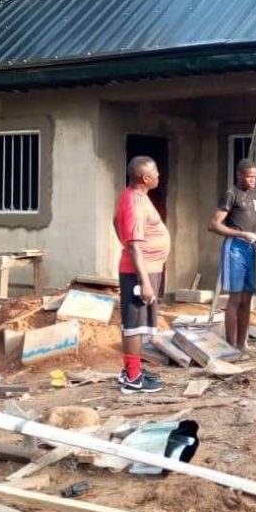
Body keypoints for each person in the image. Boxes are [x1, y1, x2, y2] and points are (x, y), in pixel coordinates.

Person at [113, 156, 170, 393]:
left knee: (135, 324)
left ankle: (131, 371)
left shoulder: (133, 196)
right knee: (135, 326)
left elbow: (116, 221)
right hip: (139, 272)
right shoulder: (136, 203)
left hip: (143, 268)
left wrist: (125, 244)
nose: (159, 175)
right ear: (146, 178)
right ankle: (133, 380)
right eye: (156, 172)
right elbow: (135, 245)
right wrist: (145, 281)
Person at [208, 159, 256, 354]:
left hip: (250, 249)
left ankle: (242, 344)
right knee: (235, 298)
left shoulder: (253, 195)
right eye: (249, 176)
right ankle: (230, 347)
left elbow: (250, 225)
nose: (253, 180)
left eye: (255, 176)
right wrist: (241, 234)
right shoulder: (230, 195)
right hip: (235, 248)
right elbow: (214, 225)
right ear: (239, 175)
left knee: (247, 299)